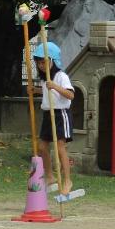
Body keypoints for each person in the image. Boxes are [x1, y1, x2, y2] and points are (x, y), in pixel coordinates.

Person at [28, 41, 75, 196]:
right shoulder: (44, 79)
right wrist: (36, 90)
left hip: (61, 114)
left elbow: (70, 95)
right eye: (39, 63)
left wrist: (55, 86)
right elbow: (48, 93)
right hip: (48, 115)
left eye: (44, 62)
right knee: (41, 147)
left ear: (53, 61)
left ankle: (67, 180)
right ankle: (49, 176)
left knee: (60, 148)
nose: (41, 65)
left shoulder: (61, 76)